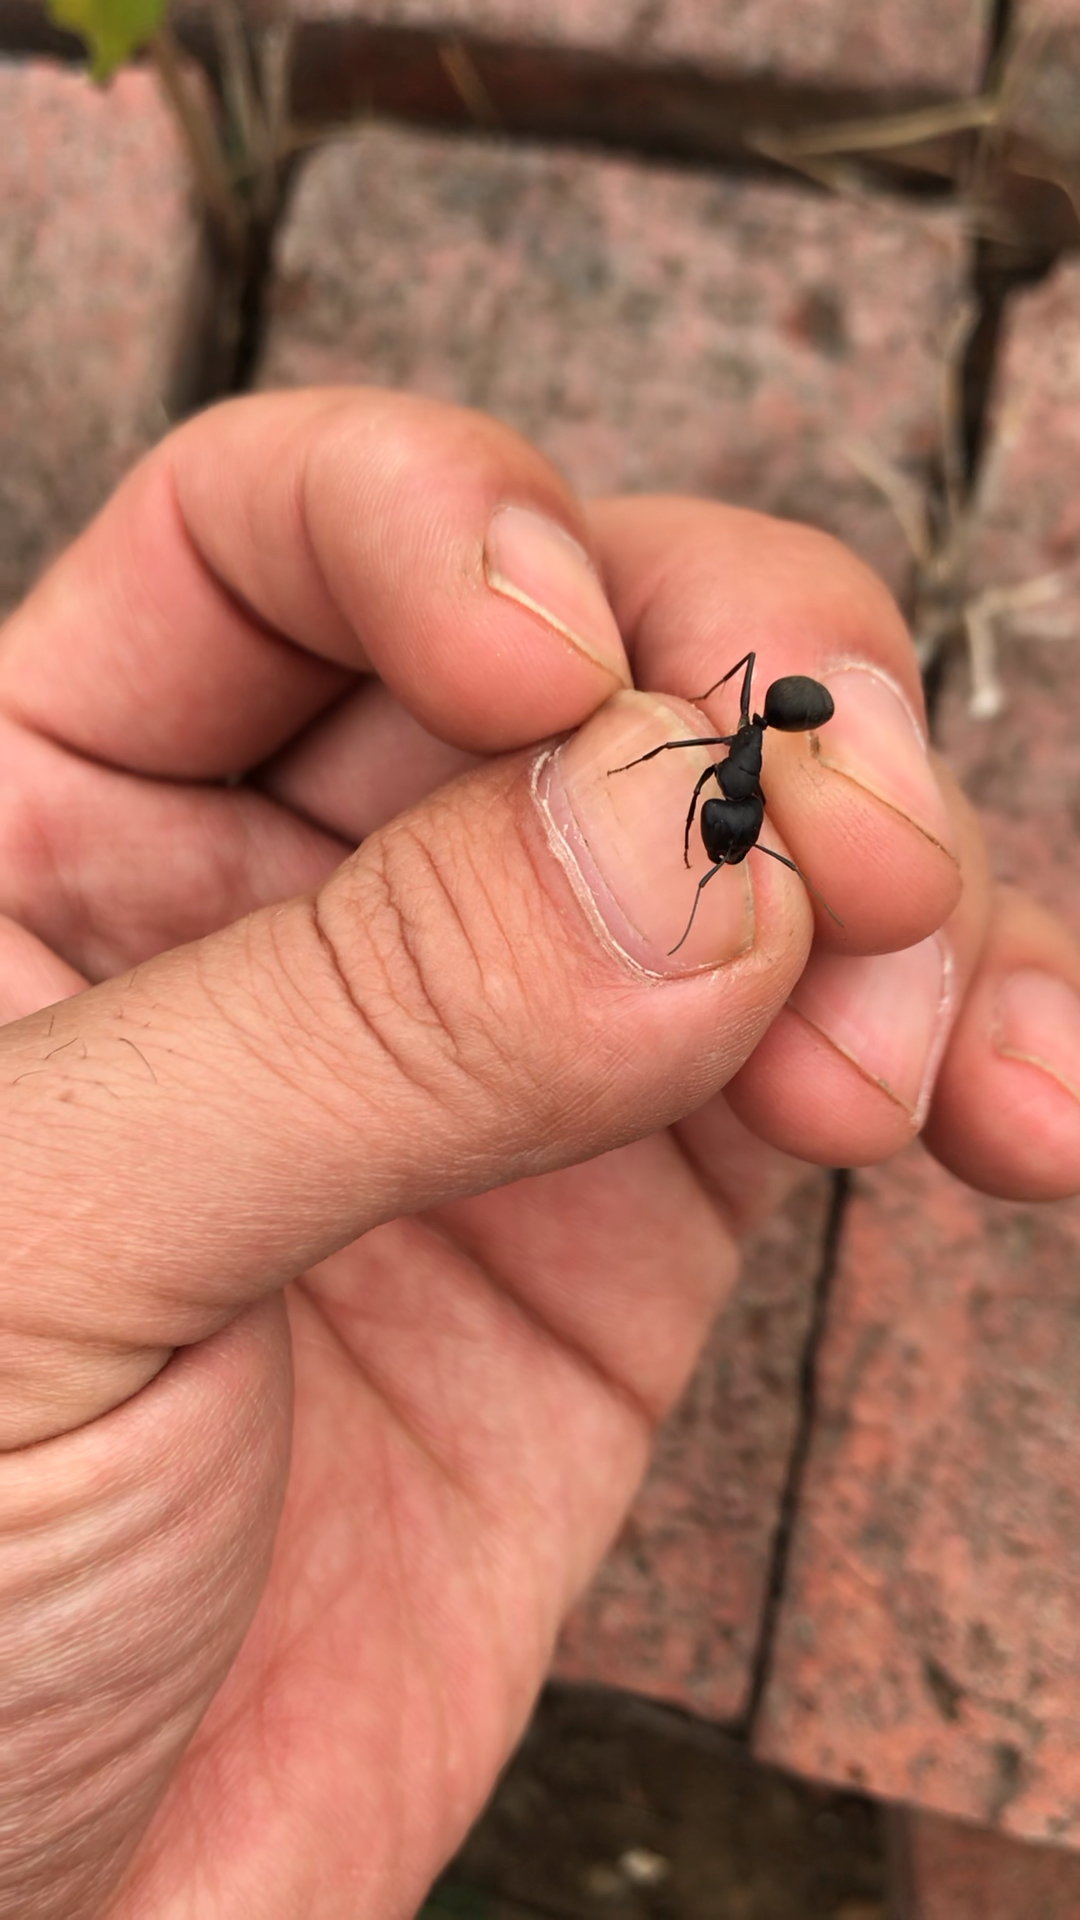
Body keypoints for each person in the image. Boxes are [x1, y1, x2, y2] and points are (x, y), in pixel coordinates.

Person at [2, 389, 1077, 1919]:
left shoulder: (740, 772)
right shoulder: (733, 776)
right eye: (722, 813)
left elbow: (736, 792)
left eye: (720, 820)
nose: (719, 815)